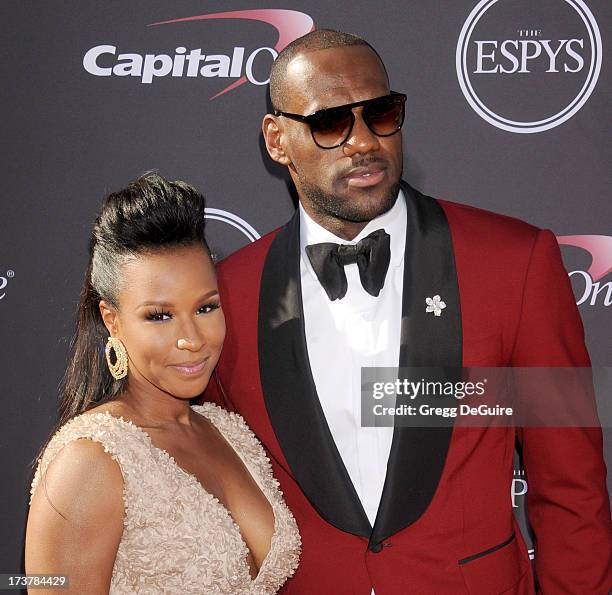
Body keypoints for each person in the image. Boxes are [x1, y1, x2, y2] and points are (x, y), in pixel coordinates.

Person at [204, 30, 611, 593]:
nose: (363, 142)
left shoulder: (513, 264)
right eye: (330, 123)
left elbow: (572, 489)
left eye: (380, 113)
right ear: (277, 140)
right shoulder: (228, 293)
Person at [25, 173, 301, 594]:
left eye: (206, 307)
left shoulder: (228, 431)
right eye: (159, 315)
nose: (192, 338)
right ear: (111, 320)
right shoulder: (88, 460)